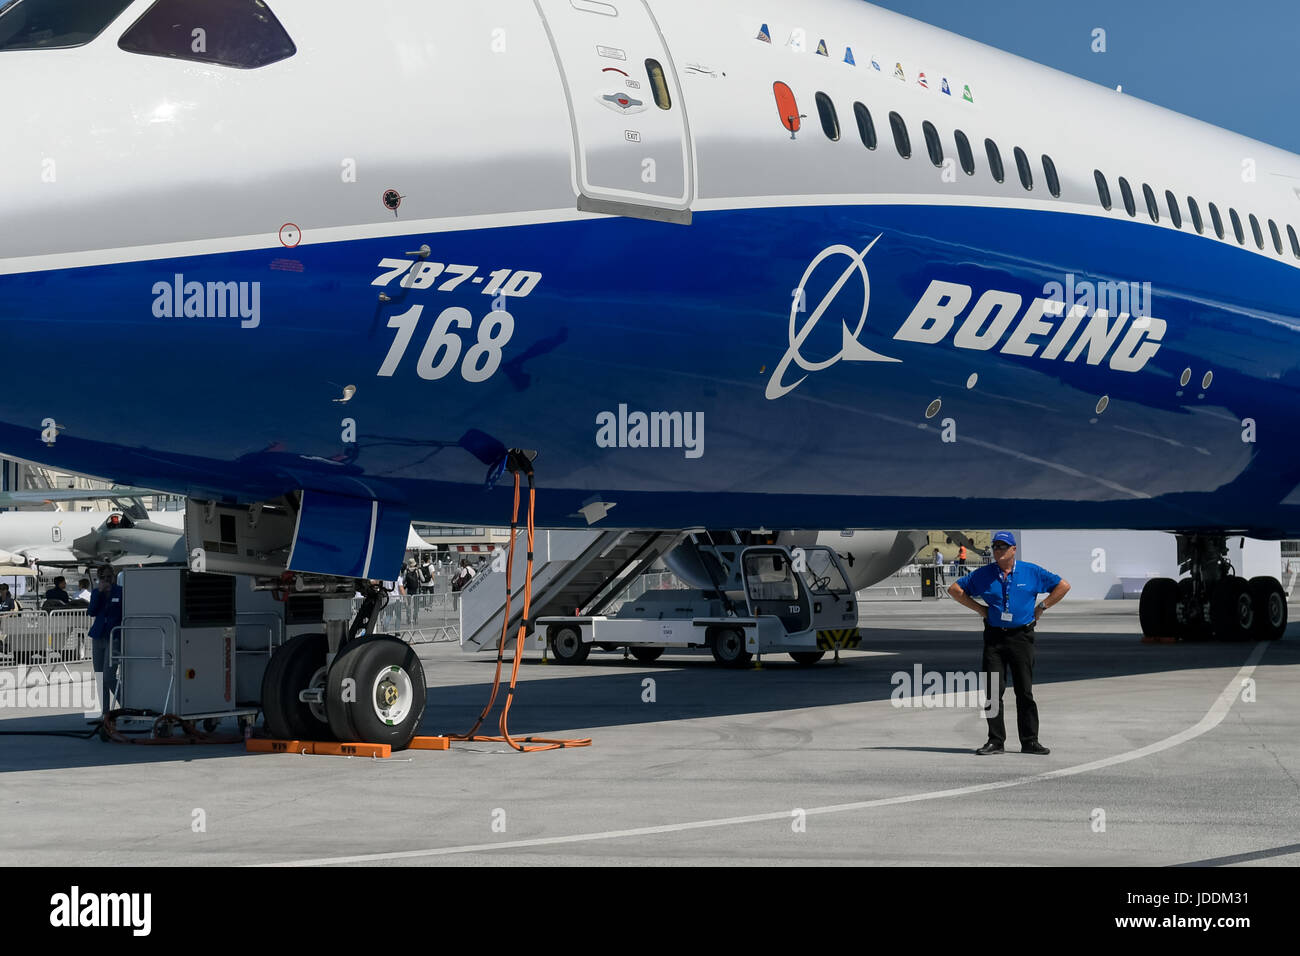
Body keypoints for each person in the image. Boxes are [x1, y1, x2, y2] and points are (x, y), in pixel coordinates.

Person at [947, 532, 1070, 756]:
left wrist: (1042, 608)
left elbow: (1063, 586)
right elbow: (955, 590)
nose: (998, 551)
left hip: (1021, 637)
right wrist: (980, 609)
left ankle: (1030, 741)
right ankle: (995, 741)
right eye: (995, 547)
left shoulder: (1031, 571)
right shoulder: (984, 574)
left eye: (1003, 547)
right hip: (995, 637)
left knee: (1024, 691)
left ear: (1013, 549)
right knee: (994, 692)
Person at [88, 566, 124, 715]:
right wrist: (99, 593)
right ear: (99, 578)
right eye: (103, 578)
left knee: (109, 676)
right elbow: (91, 611)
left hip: (113, 637)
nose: (107, 580)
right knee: (100, 676)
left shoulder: (120, 591)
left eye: (109, 577)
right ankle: (105, 712)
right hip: (98, 636)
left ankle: (126, 703)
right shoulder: (97, 593)